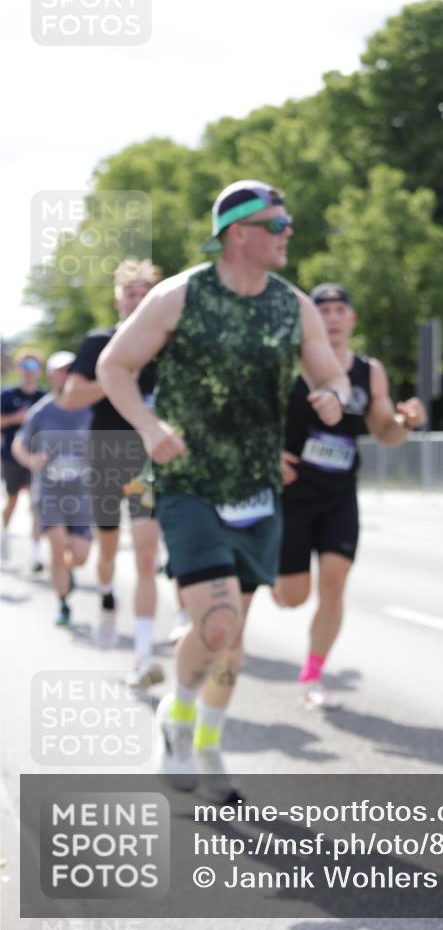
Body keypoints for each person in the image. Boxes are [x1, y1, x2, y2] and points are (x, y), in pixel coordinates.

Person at [96, 179, 350, 789]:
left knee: (229, 636)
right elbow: (115, 365)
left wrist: (333, 399)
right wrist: (148, 425)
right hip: (189, 484)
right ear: (239, 233)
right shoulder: (178, 296)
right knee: (214, 622)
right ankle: (176, 721)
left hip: (258, 490)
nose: (289, 234)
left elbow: (334, 377)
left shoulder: (294, 306)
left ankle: (205, 740)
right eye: (278, 225)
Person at [273, 283, 427, 708]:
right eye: (323, 310)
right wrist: (270, 455)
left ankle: (313, 675)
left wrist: (405, 422)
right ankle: (272, 576)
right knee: (292, 597)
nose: (333, 317)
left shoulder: (368, 372)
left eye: (341, 309)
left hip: (340, 495)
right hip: (292, 494)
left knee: (335, 584)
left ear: (351, 319)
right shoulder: (289, 363)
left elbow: (385, 433)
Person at [63, 259, 166, 689]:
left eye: (146, 293)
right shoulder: (98, 343)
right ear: (117, 298)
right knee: (106, 550)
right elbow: (70, 397)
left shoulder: (167, 343)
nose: (137, 300)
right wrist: (117, 373)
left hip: (147, 460)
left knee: (145, 555)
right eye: (130, 293)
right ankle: (107, 599)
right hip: (107, 454)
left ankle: (142, 656)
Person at [12, 351, 92, 626]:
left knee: (80, 556)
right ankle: (63, 603)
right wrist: (30, 460)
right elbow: (19, 445)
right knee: (57, 546)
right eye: (60, 370)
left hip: (83, 493)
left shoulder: (91, 408)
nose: (65, 374)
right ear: (52, 375)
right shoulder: (41, 411)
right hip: (49, 491)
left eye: (70, 369)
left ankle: (68, 571)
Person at [1, 351, 46, 570]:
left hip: (36, 460)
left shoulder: (44, 397)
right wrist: (15, 418)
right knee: (12, 501)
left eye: (34, 365)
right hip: (11, 457)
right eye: (25, 365)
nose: (29, 370)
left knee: (36, 506)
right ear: (20, 368)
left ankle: (36, 555)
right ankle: (4, 534)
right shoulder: (7, 395)